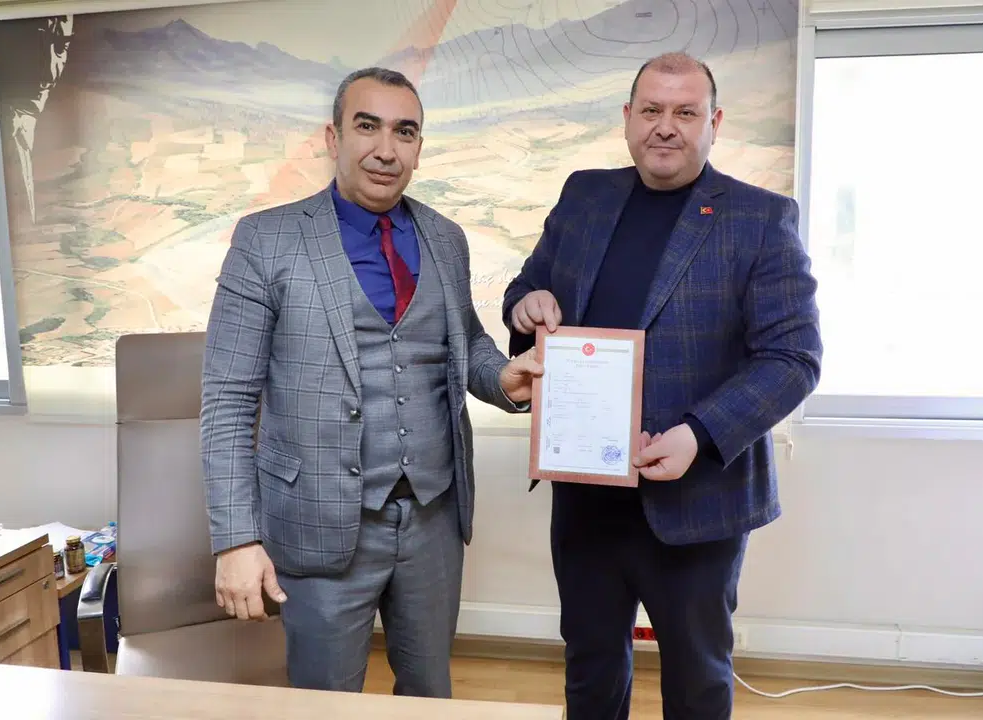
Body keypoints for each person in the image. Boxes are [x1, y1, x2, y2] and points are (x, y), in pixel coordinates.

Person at [200, 67, 543, 698]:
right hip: (318, 520)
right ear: (333, 138)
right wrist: (236, 539)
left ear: (418, 147)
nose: (386, 149)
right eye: (368, 127)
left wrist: (502, 378)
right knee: (325, 704)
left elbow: (463, 343)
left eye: (404, 132)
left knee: (429, 697)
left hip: (434, 519)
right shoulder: (266, 240)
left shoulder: (446, 238)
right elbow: (227, 401)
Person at [502, 52, 822, 719]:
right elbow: (529, 286)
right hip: (587, 495)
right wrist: (524, 306)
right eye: (651, 110)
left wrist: (699, 435)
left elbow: (793, 358)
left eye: (685, 112)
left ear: (714, 123)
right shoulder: (584, 196)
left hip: (697, 500)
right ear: (628, 117)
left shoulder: (761, 218)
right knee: (590, 673)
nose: (665, 126)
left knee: (697, 684)